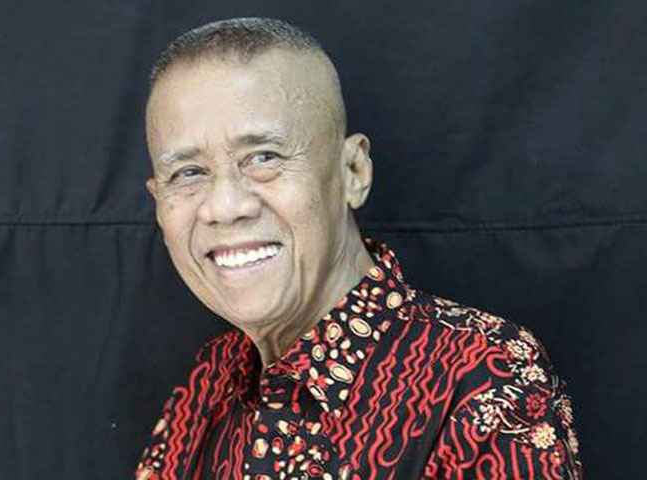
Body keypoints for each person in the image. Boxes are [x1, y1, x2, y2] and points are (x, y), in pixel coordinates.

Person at [134, 17, 583, 479]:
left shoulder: (483, 374)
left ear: (353, 172)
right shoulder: (208, 383)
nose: (225, 207)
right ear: (158, 201)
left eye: (264, 158)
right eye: (188, 173)